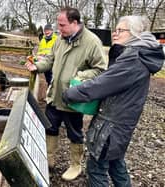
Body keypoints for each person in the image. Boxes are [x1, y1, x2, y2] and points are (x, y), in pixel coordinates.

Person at [62, 15, 165, 186]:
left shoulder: (133, 59)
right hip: (122, 124)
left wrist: (70, 94)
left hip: (111, 126)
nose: (115, 34)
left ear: (135, 33)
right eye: (114, 30)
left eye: (121, 30)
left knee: (96, 169)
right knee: (116, 164)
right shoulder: (139, 54)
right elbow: (111, 80)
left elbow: (102, 84)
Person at [25, 7, 108, 181]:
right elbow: (49, 59)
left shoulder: (92, 42)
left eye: (62, 25)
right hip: (54, 96)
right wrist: (37, 66)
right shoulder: (60, 40)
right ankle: (49, 160)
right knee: (50, 127)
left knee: (75, 132)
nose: (59, 28)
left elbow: (101, 70)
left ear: (75, 23)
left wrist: (78, 77)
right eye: (58, 25)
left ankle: (75, 165)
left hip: (74, 99)